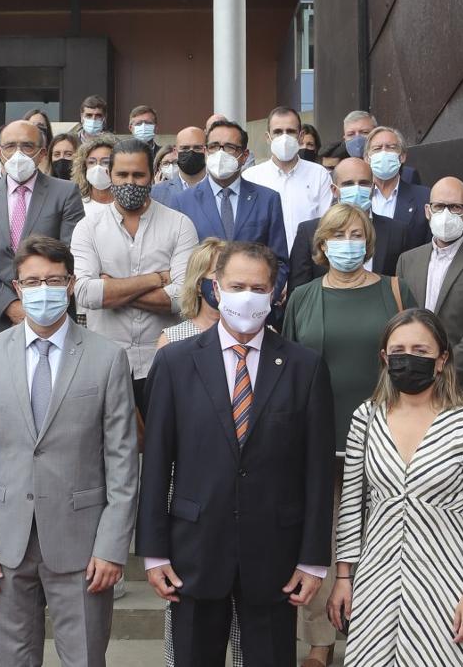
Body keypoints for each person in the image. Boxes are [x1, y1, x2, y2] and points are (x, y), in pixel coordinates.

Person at [138, 241, 335, 667]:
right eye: (237, 285)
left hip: (275, 556)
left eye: (259, 287)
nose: (248, 296)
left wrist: (314, 560)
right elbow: (155, 462)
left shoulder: (305, 367)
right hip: (194, 551)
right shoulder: (175, 362)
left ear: (276, 293)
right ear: (215, 288)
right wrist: (154, 553)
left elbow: (317, 472)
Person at [0, 235, 139, 667]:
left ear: (71, 284)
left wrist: (113, 546)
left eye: (54, 280)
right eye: (33, 281)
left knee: (82, 657)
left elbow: (123, 461)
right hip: (7, 541)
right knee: (12, 659)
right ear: (18, 288)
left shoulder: (107, 358)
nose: (43, 290)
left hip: (82, 542)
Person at [280, 203, 416, 665]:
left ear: (369, 242)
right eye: (338, 235)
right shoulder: (302, 298)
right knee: (323, 535)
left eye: (357, 234)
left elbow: (418, 358)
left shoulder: (395, 292)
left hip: (386, 436)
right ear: (321, 245)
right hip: (319, 436)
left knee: (379, 537)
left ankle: (377, 633)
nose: (348, 243)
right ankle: (319, 641)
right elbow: (288, 372)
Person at [329, 309, 463, 666]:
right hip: (377, 581)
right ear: (384, 358)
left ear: (441, 360)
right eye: (399, 350)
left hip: (448, 582)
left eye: (421, 351)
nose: (409, 358)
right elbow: (351, 504)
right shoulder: (367, 416)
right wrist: (344, 576)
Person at [152, 239, 241, 667]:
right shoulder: (173, 342)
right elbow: (162, 436)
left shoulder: (268, 341)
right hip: (191, 505)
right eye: (213, 277)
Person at [72, 139, 199, 414]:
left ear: (152, 175)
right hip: (105, 363)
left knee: (162, 451)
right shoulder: (87, 228)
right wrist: (156, 279)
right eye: (122, 175)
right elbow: (84, 294)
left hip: (165, 360)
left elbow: (182, 299)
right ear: (110, 175)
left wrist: (112, 289)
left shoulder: (179, 225)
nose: (130, 182)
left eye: (138, 175)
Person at [396, 177, 463, 429]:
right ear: (427, 211)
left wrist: (439, 370)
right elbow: (401, 319)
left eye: (455, 207)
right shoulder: (407, 260)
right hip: (413, 388)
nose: (446, 214)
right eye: (439, 206)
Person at [0, 121, 86, 340]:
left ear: (42, 153)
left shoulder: (66, 193)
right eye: (10, 146)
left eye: (27, 146)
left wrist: (33, 301)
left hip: (50, 312)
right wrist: (8, 304)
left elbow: (70, 252)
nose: (18, 153)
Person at [172, 120, 289, 294]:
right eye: (213, 146)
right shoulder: (183, 201)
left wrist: (267, 297)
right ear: (205, 152)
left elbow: (279, 261)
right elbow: (179, 263)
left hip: (253, 304)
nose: (220, 153)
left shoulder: (268, 199)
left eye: (229, 147)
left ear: (244, 155)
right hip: (202, 307)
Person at [288, 158, 411, 290]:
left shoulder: (397, 231)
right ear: (334, 190)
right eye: (348, 184)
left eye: (363, 183)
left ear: (373, 188)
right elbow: (298, 291)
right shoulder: (309, 231)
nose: (357, 189)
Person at [243, 106, 334, 254]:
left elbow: (327, 224)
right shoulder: (251, 177)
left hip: (310, 261)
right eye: (278, 132)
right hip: (265, 263)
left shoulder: (319, 175)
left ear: (300, 135)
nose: (284, 138)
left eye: (290, 131)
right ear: (268, 137)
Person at [365, 126, 431, 247]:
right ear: (367, 158)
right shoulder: (358, 197)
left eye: (391, 147)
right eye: (377, 148)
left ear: (402, 157)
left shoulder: (424, 198)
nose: (383, 152)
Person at [341, 111, 421, 184]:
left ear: (376, 133)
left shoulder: (407, 175)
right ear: (344, 139)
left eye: (364, 132)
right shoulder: (338, 175)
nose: (357, 139)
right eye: (351, 134)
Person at [150, 126, 208, 209]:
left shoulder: (220, 190)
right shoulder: (156, 193)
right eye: (185, 148)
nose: (191, 152)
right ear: (176, 152)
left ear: (206, 151)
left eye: (197, 148)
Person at [72, 134, 117, 218]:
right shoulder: (75, 206)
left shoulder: (126, 206)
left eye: (106, 162)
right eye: (92, 162)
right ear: (84, 167)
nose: (98, 167)